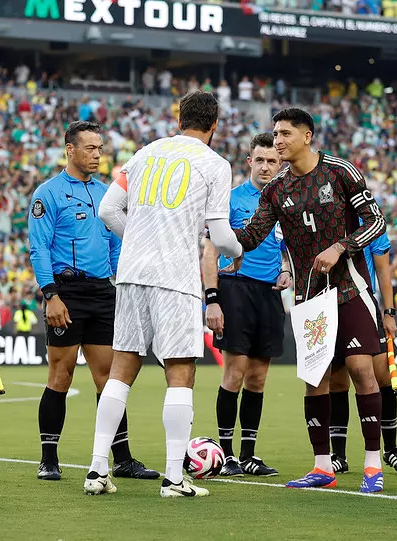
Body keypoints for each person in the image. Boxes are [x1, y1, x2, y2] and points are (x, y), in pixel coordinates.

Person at [90, 91, 243, 498]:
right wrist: (238, 252)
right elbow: (223, 235)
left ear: (179, 119)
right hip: (175, 277)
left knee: (121, 370)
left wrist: (139, 241)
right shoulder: (214, 163)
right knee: (180, 372)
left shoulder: (144, 153)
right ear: (214, 125)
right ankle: (175, 478)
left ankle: (96, 470)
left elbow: (107, 210)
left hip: (131, 273)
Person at [233, 108, 389, 493]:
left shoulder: (340, 172)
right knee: (315, 380)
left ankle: (373, 465)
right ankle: (322, 467)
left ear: (307, 136)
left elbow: (376, 222)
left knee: (360, 369)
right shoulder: (276, 189)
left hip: (350, 288)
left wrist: (341, 247)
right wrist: (220, 233)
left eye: (285, 133)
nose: (278, 141)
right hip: (308, 296)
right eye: (274, 134)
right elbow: (251, 236)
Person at [29, 120, 158, 482]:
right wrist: (50, 294)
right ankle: (49, 459)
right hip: (66, 293)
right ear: (70, 149)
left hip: (104, 292)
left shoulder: (107, 193)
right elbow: (38, 247)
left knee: (110, 377)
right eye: (89, 148)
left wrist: (125, 283)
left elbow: (118, 243)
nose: (97, 154)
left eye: (99, 148)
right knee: (61, 375)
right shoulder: (48, 193)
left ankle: (123, 459)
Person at [202, 133, 292, 477]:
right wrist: (212, 299)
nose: (266, 166)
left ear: (279, 163)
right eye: (261, 160)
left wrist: (285, 269)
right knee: (235, 374)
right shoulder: (230, 200)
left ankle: (249, 454)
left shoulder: (284, 202)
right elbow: (210, 251)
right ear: (249, 162)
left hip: (269, 294)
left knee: (258, 379)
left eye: (272, 160)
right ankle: (225, 455)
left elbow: (286, 248)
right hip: (235, 290)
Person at [328, 228, 397, 475]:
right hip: (329, 304)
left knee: (382, 376)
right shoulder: (329, 215)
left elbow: (384, 271)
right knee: (337, 381)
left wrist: (389, 312)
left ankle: (391, 449)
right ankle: (339, 455)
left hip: (364, 305)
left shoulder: (371, 223)